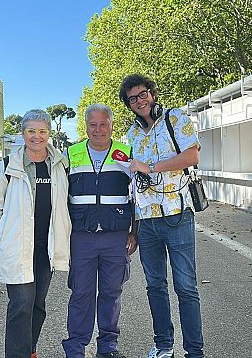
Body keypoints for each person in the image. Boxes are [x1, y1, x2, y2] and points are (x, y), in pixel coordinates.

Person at [118, 74, 204, 358]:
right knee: (155, 286)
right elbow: (131, 183)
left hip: (177, 215)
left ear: (152, 94)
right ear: (128, 105)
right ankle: (164, 345)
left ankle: (194, 351)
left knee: (186, 287)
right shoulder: (130, 136)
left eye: (143, 94)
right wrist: (132, 228)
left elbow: (192, 156)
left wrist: (151, 167)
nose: (139, 101)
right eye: (133, 99)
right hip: (146, 221)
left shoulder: (175, 118)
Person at [0, 109, 72, 358]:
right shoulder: (8, 166)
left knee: (38, 305)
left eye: (42, 131)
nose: (37, 136)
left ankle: (30, 350)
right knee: (21, 305)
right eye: (31, 131)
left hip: (46, 248)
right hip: (17, 247)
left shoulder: (59, 164)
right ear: (23, 134)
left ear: (49, 134)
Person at [62, 104, 137, 358]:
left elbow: (137, 196)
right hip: (81, 237)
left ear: (111, 125)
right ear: (86, 127)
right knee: (81, 294)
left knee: (111, 294)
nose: (98, 129)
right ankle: (75, 348)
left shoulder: (125, 154)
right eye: (92, 124)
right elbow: (60, 197)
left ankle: (107, 349)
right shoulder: (70, 155)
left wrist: (134, 231)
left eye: (103, 124)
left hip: (115, 237)